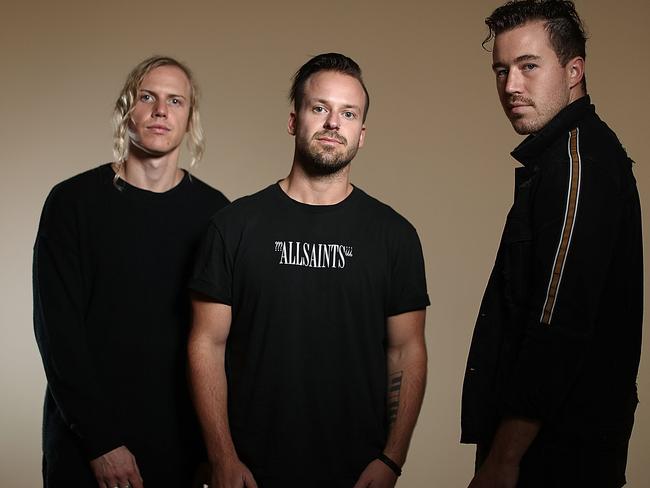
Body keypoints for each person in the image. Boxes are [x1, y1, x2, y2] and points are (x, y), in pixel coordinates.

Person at [188, 53, 429, 488]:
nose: (334, 123)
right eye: (320, 108)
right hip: (250, 472)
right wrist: (221, 457)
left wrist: (391, 460)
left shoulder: (395, 236)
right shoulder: (234, 227)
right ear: (293, 120)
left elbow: (406, 351)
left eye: (348, 113)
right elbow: (207, 343)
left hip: (356, 473)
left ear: (362, 133)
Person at [461, 1, 643, 487]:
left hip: (555, 457)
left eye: (528, 66)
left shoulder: (578, 163)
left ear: (573, 70)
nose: (510, 86)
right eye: (501, 70)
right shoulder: (560, 160)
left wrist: (503, 459)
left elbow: (557, 325)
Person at [33, 55, 229, 488]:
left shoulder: (216, 214)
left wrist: (213, 452)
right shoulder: (72, 203)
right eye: (148, 97)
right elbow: (57, 334)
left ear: (189, 118)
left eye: (175, 101)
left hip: (180, 447)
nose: (161, 110)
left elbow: (221, 342)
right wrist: (101, 443)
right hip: (86, 446)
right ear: (128, 110)